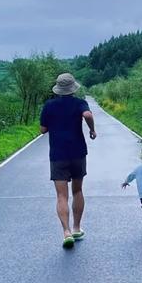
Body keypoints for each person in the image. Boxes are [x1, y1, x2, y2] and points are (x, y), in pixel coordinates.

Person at [40, 73, 97, 248]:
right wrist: (92, 130)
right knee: (78, 191)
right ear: (73, 88)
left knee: (61, 195)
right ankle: (77, 228)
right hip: (78, 152)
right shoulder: (80, 103)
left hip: (58, 154)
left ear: (58, 89)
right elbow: (87, 114)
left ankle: (66, 232)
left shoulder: (49, 105)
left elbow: (43, 130)